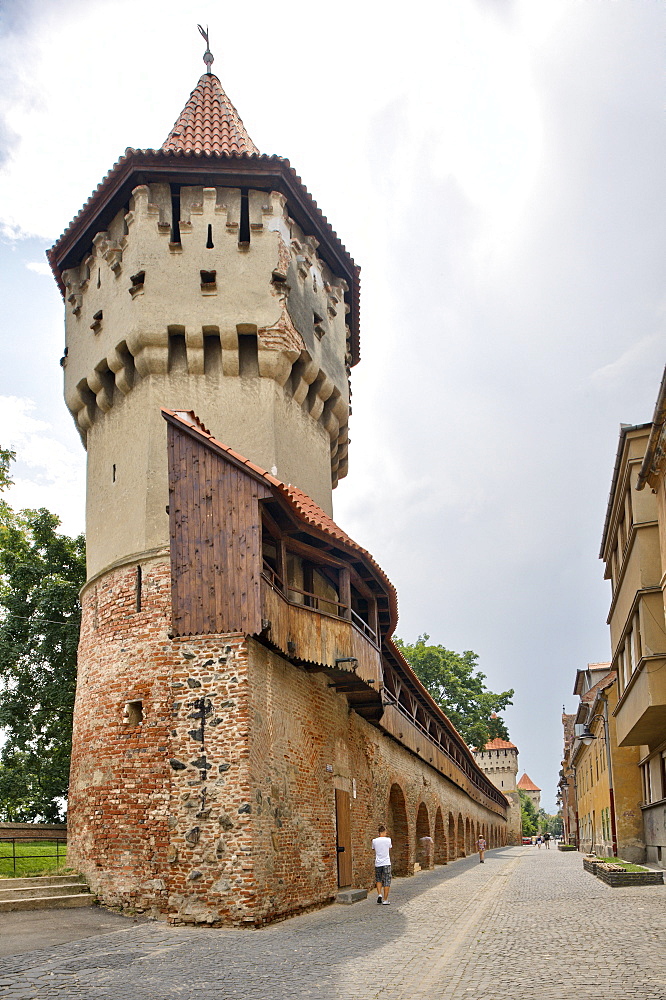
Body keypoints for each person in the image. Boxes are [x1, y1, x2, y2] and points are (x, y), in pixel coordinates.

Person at [372, 824, 392, 905]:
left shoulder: (374, 841)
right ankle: (385, 899)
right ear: (384, 832)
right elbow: (389, 848)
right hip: (386, 862)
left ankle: (379, 894)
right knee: (387, 880)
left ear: (379, 832)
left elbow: (373, 849)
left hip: (378, 863)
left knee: (378, 879)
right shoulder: (388, 840)